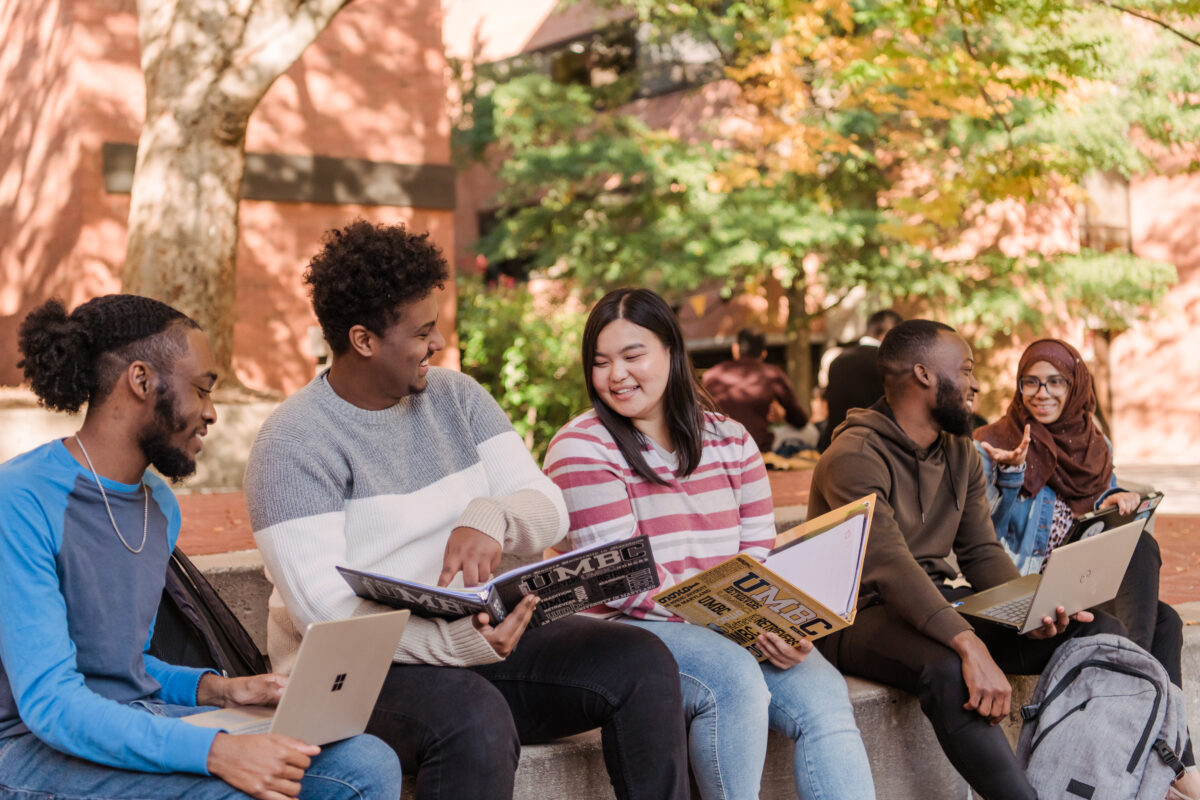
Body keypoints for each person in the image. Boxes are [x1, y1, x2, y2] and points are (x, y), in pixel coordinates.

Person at [243, 221, 690, 800]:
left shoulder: (457, 399)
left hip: (478, 639)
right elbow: (327, 619)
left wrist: (491, 516)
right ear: (363, 340)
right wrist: (458, 646)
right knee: (473, 718)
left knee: (640, 660)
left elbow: (549, 508)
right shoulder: (292, 443)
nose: (437, 345)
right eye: (423, 331)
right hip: (353, 675)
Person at [0, 295, 401, 800]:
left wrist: (221, 690)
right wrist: (217, 751)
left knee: (363, 761)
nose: (211, 412)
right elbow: (52, 705)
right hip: (28, 749)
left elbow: (124, 664)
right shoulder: (20, 499)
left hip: (137, 717)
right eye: (202, 389)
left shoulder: (159, 507)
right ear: (142, 380)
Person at [544, 288, 875, 800]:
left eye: (633, 356)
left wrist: (778, 624)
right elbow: (626, 583)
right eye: (601, 362)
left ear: (673, 353)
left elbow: (759, 557)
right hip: (623, 631)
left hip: (728, 624)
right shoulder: (581, 447)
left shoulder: (732, 440)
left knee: (826, 694)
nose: (616, 375)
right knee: (733, 678)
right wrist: (739, 627)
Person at [808, 318, 1127, 800]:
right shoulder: (852, 456)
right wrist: (969, 645)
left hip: (937, 603)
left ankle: (1096, 782)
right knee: (947, 668)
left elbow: (979, 552)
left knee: (1097, 632)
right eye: (968, 369)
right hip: (857, 615)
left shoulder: (958, 450)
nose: (978, 384)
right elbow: (890, 569)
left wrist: (1031, 608)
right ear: (924, 375)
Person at [974, 338, 1200, 795]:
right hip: (1024, 591)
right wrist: (1010, 476)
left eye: (1056, 381)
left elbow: (1093, 518)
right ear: (1018, 388)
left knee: (1158, 592)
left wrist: (1114, 504)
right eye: (1030, 382)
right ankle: (1172, 761)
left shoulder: (1095, 445)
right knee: (1152, 620)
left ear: (1076, 386)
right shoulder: (993, 446)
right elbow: (976, 534)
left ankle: (1162, 749)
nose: (1042, 393)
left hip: (1077, 582)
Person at [701, 326, 808, 452]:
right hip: (757, 446)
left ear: (735, 349)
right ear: (764, 353)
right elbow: (800, 420)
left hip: (718, 448)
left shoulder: (711, 376)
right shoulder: (772, 373)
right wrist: (782, 416)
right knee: (810, 432)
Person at [817, 309, 902, 452]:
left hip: (834, 443)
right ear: (886, 335)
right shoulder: (889, 363)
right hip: (875, 447)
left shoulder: (838, 360)